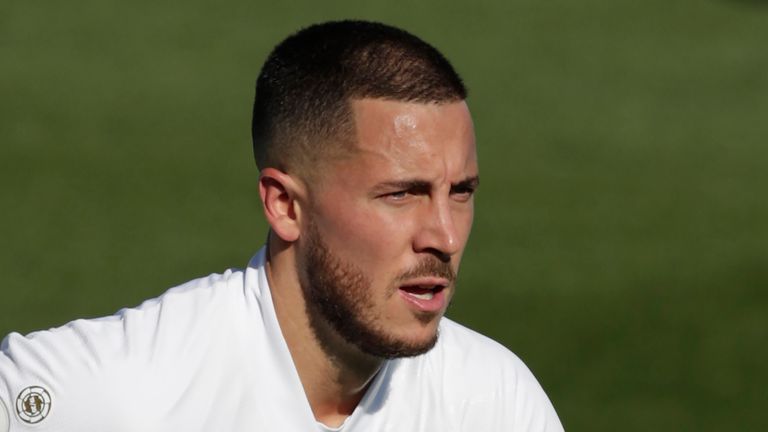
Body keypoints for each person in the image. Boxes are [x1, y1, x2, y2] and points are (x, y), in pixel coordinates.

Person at [0, 20, 563, 431]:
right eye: (401, 194)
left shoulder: (494, 403)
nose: (444, 235)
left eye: (460, 192)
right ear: (285, 206)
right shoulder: (123, 390)